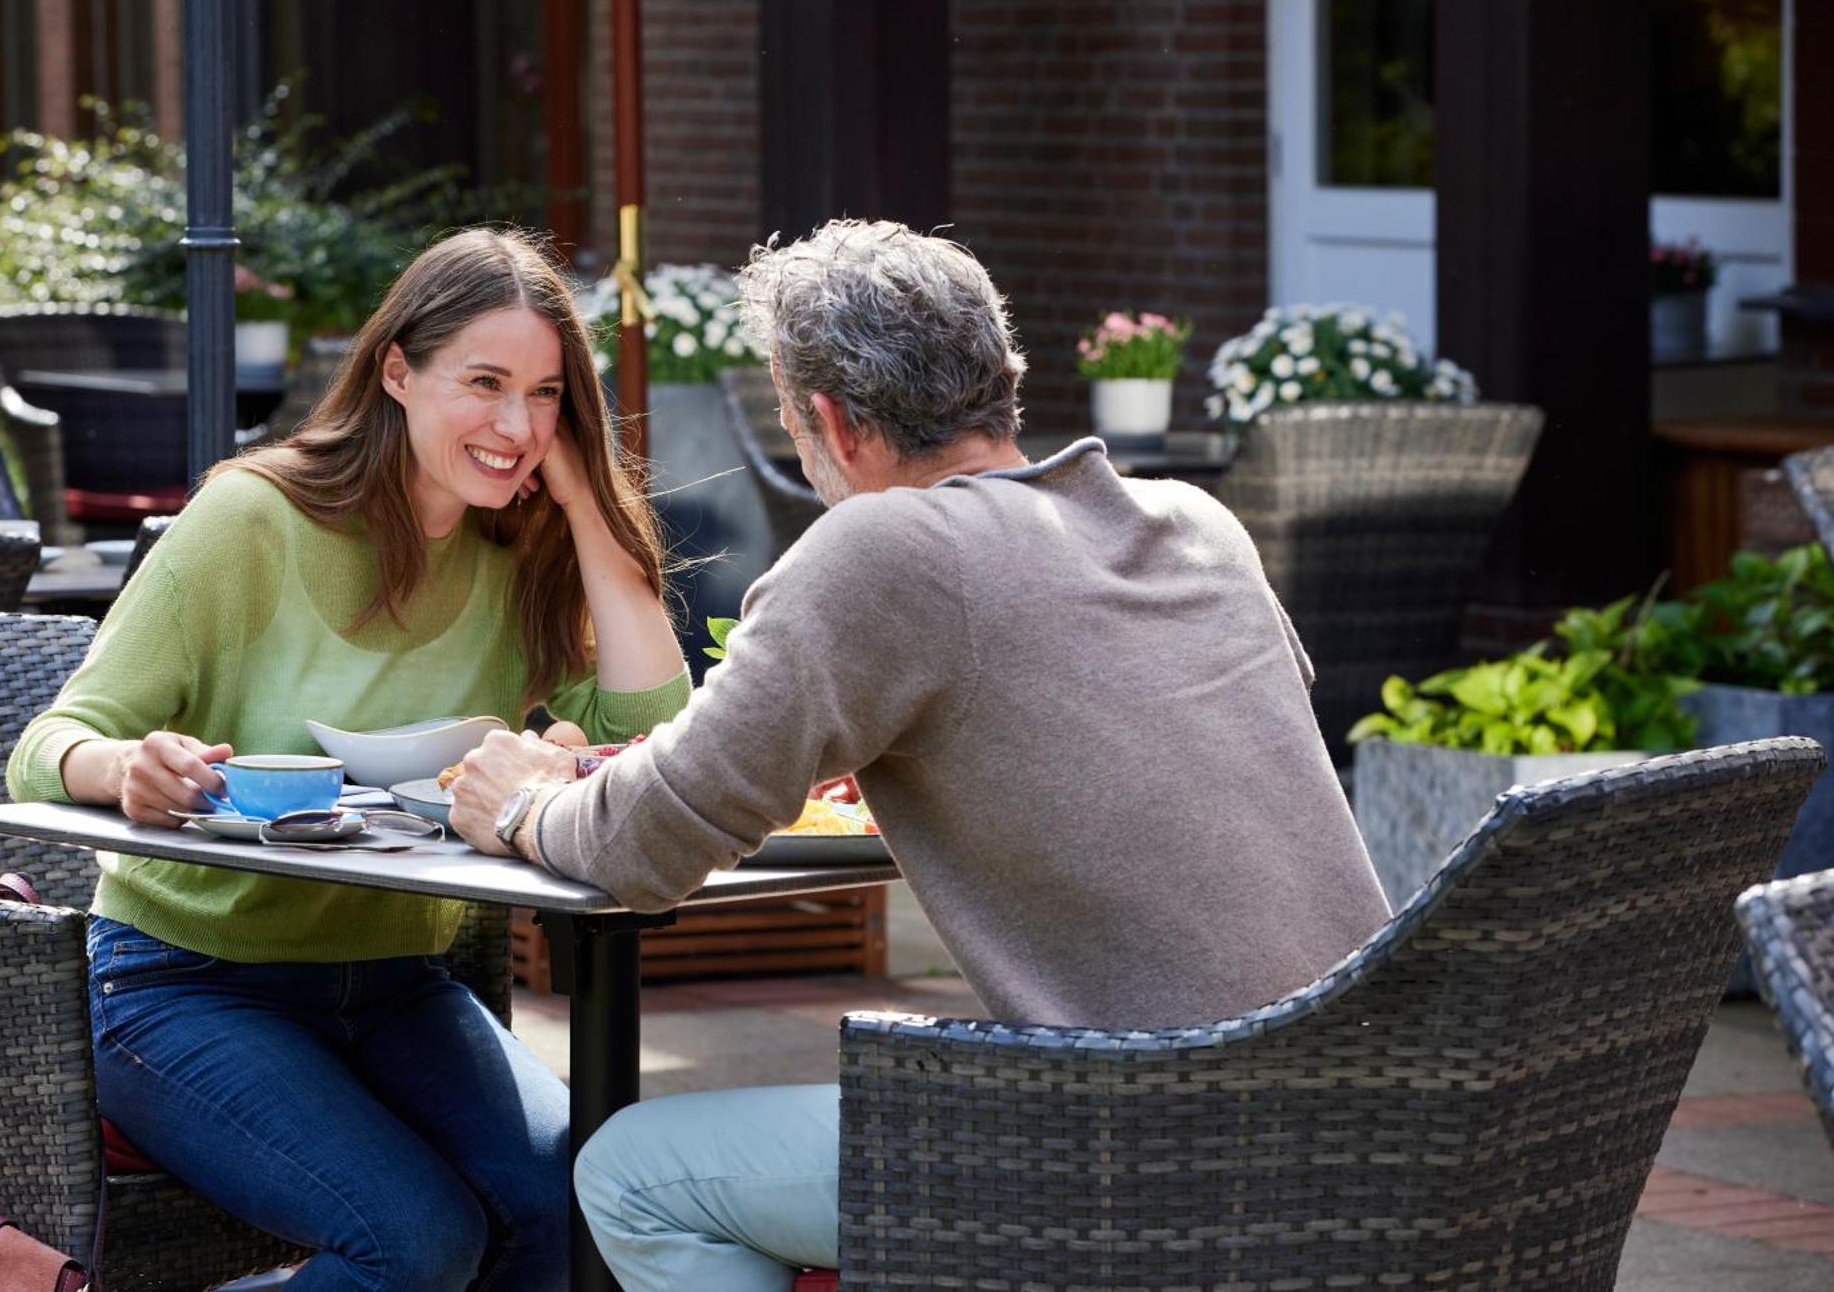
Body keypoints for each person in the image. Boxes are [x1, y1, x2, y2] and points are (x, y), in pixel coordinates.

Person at [446, 218, 1393, 1289]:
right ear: (1004, 380)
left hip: (1159, 1152)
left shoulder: (883, 548)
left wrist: (523, 805)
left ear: (830, 422)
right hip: (1370, 1128)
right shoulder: (1196, 525)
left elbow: (648, 843)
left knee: (635, 1173)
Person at [6, 228, 692, 1292]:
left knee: (568, 1200)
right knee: (416, 1243)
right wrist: (126, 767)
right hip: (182, 984)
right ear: (396, 371)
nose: (516, 425)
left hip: (395, 985)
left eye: (546, 395)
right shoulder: (250, 519)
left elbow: (650, 732)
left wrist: (589, 508)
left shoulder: (518, 549)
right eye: (484, 383)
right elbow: (46, 744)